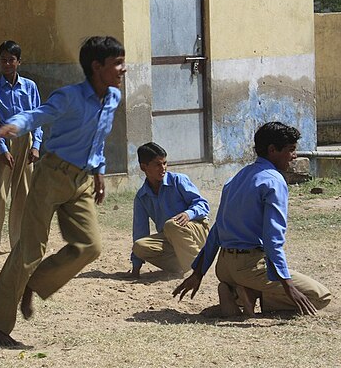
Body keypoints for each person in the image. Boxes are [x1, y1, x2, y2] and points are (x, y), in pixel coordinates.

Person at [0, 36, 126, 347]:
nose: (122, 69)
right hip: (52, 176)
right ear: (96, 66)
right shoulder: (70, 97)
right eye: (116, 63)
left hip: (82, 181)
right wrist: (13, 127)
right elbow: (37, 114)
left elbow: (99, 138)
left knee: (90, 247)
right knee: (30, 251)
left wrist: (99, 172)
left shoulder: (113, 98)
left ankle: (36, 284)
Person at [173, 122, 332, 317]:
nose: (294, 156)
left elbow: (217, 230)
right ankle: (252, 293)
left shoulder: (236, 178)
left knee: (275, 281)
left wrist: (198, 273)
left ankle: (236, 293)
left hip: (224, 268)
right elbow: (273, 239)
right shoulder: (273, 181)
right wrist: (288, 286)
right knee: (320, 297)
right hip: (249, 266)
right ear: (272, 150)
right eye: (291, 150)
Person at [0, 41, 43, 255]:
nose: (7, 64)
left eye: (11, 60)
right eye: (3, 60)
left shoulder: (30, 87)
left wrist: (36, 146)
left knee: (23, 194)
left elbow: (37, 118)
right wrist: (2, 150)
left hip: (25, 142)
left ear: (19, 62)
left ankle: (19, 242)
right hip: (2, 142)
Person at [127, 142, 210, 278]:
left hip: (195, 231)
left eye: (165, 163)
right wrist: (136, 268)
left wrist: (188, 214)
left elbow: (203, 204)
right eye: (157, 164)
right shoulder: (142, 197)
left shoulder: (178, 180)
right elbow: (140, 232)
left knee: (171, 225)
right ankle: (181, 267)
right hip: (170, 239)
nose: (163, 168)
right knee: (139, 246)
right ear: (144, 167)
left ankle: (199, 269)